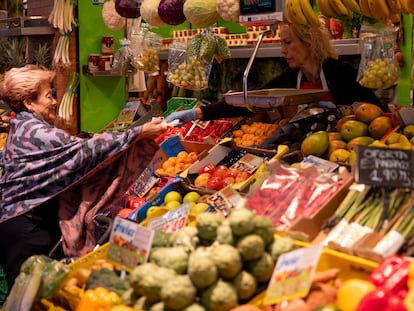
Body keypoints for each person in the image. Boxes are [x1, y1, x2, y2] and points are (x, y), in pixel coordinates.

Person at [0, 65, 167, 289]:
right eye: (48, 96)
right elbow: (86, 151)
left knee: (40, 292)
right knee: (30, 295)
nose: (54, 101)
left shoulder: (21, 126)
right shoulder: (36, 132)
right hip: (26, 230)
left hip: (22, 224)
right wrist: (138, 133)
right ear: (29, 103)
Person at [165, 22, 383, 124]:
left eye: (288, 42)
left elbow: (378, 110)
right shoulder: (290, 78)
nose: (283, 50)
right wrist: (198, 113)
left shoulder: (340, 73)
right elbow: (252, 99)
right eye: (281, 43)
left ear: (310, 43)